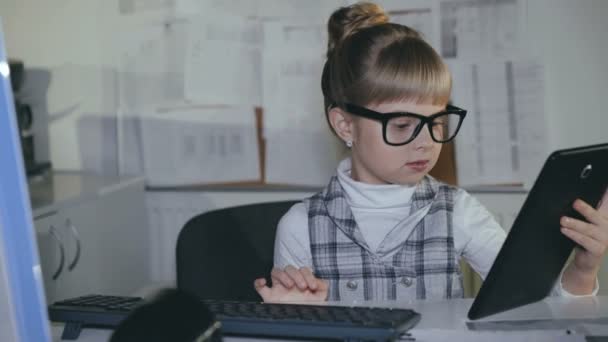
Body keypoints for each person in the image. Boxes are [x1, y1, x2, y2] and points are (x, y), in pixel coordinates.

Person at [253, 2, 608, 303]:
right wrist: (296, 319)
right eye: (403, 125)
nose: (426, 142)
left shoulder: (459, 211)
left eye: (437, 122)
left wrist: (582, 268)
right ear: (346, 126)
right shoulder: (300, 227)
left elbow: (538, 308)